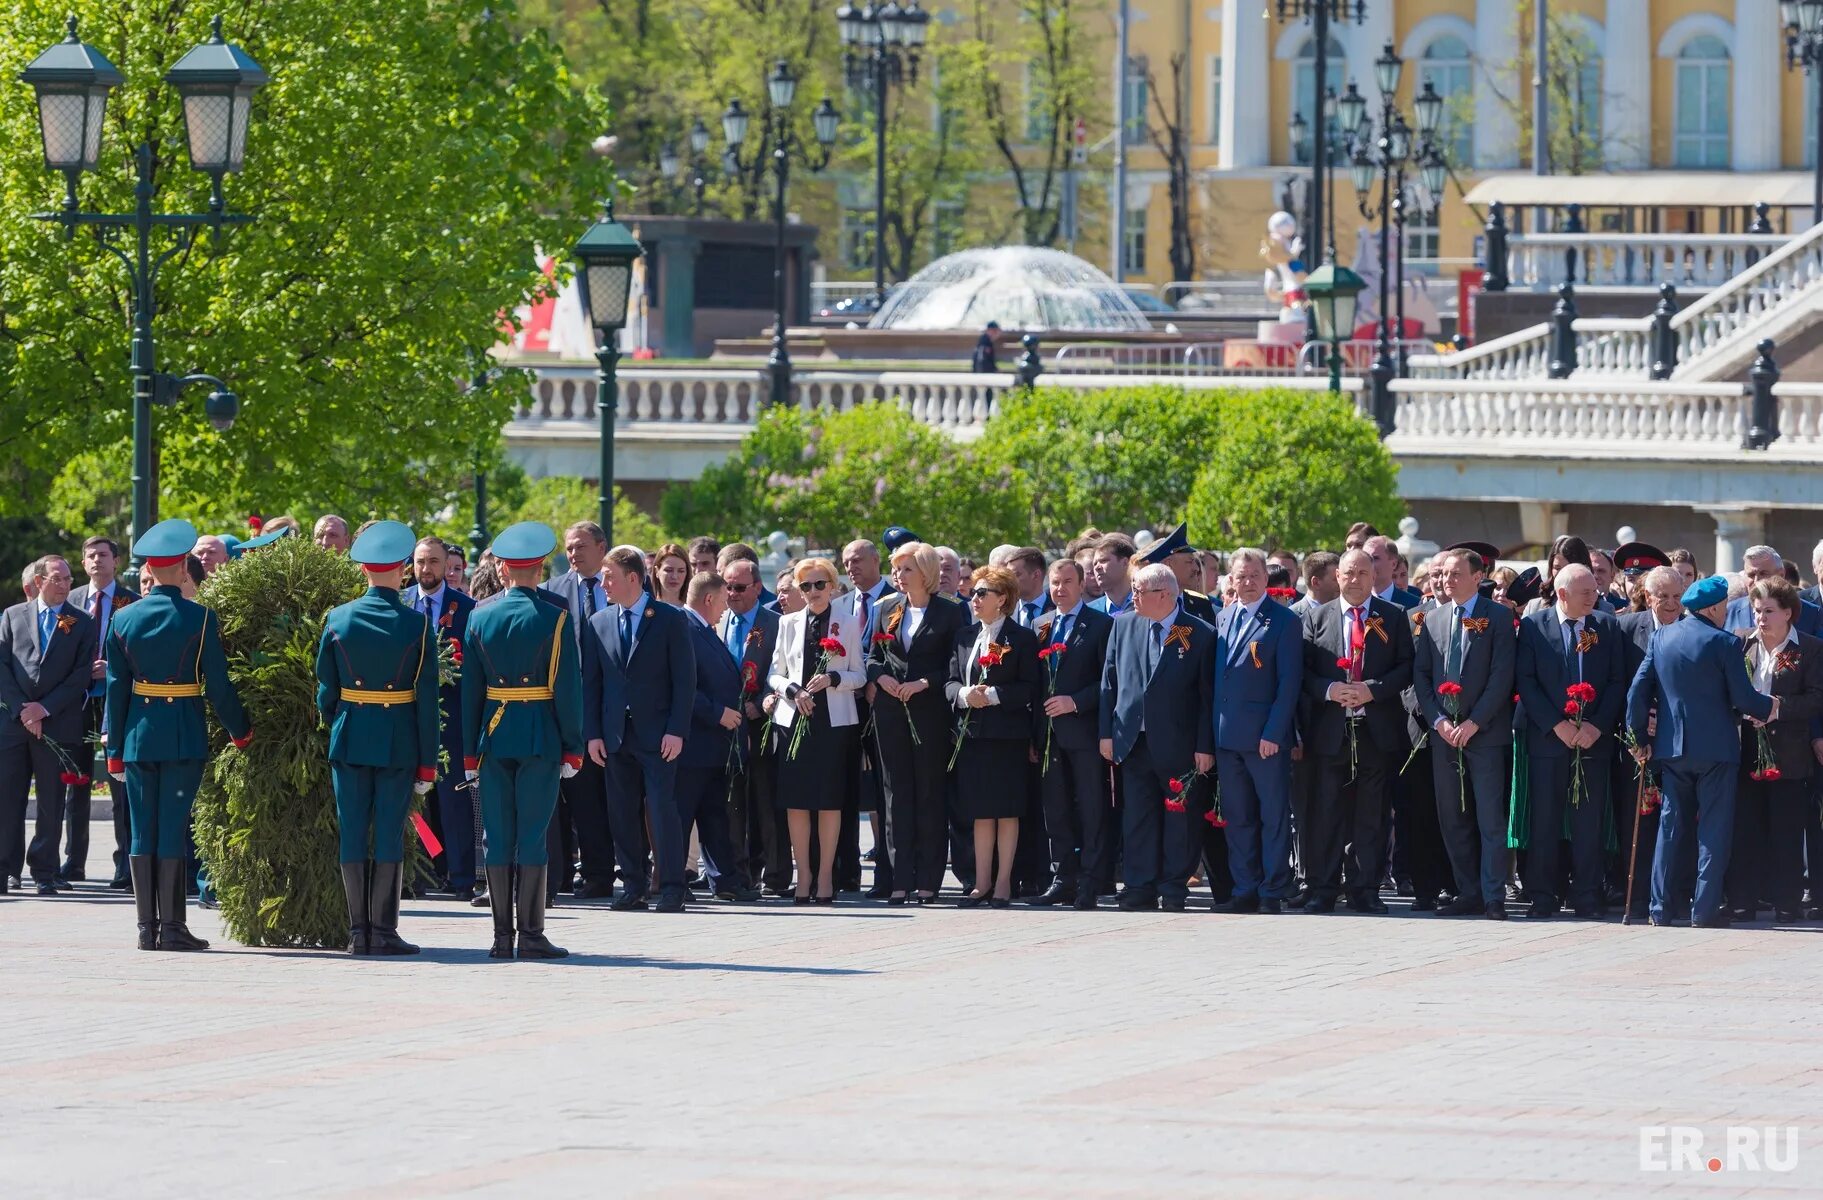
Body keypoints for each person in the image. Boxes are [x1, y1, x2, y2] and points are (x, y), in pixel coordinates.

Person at [101, 520, 252, 948]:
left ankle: (147, 929)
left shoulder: (122, 619)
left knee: (141, 832)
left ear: (150, 567)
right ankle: (173, 927)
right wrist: (241, 731)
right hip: (183, 733)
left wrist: (114, 749)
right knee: (172, 829)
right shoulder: (200, 618)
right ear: (184, 570)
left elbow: (115, 691)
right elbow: (218, 687)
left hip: (137, 737)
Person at [315, 521, 441, 956]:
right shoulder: (417, 625)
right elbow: (427, 700)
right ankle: (383, 932)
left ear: (362, 568)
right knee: (388, 833)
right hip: (398, 739)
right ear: (403, 569)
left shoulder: (337, 618)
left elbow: (325, 691)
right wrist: (428, 762)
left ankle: (357, 933)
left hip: (350, 734)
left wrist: (344, 718)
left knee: (352, 831)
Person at [460, 522, 584, 958]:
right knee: (532, 836)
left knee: (496, 835)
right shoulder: (556, 618)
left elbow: (469, 694)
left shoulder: (478, 616)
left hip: (492, 736)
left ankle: (500, 938)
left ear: (504, 568)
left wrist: (469, 754)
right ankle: (530, 936)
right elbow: (568, 689)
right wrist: (574, 745)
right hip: (540, 737)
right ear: (541, 567)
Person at [1627, 574, 1777, 927]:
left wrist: (1639, 739)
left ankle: (1659, 910)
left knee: (1670, 829)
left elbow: (1637, 692)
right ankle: (1704, 911)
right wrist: (1769, 706)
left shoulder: (1662, 637)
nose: (1727, 610)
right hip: (1716, 751)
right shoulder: (1723, 643)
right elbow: (1743, 699)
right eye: (1724, 605)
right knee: (1713, 830)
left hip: (1672, 749)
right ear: (1712, 607)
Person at [1299, 548, 1413, 913]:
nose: (1355, 579)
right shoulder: (1318, 618)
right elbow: (1303, 671)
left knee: (1372, 815)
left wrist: (1373, 689)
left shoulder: (1393, 617)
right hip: (1331, 730)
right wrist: (1330, 690)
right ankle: (1323, 888)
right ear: (1337, 576)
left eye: (1363, 572)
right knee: (1326, 812)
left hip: (1374, 730)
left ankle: (1366, 889)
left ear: (1373, 576)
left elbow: (1406, 667)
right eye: (1348, 573)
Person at [582, 544, 695, 912]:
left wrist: (677, 730)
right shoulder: (598, 622)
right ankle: (633, 885)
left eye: (609, 576)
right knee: (621, 812)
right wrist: (593, 733)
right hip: (616, 735)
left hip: (659, 734)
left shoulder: (668, 618)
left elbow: (684, 680)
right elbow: (593, 684)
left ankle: (673, 887)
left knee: (663, 810)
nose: (603, 583)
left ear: (633, 578)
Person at [1515, 564, 1628, 919]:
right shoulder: (1535, 626)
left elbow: (1616, 680)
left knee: (1588, 821)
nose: (1594, 597)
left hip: (1592, 739)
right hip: (1550, 740)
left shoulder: (1605, 625)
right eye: (1586, 592)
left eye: (1595, 590)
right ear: (1563, 594)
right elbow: (1527, 681)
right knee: (1545, 820)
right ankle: (1543, 895)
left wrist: (1595, 725)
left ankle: (1587, 895)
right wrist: (1556, 725)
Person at [1099, 563, 1215, 911]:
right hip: (1133, 740)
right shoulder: (1123, 624)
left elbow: (1207, 697)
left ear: (1163, 594)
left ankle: (1173, 886)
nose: (1132, 597)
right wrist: (1107, 733)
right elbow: (1110, 682)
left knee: (1180, 818)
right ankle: (1139, 885)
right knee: (1138, 817)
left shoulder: (1200, 632)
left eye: (1139, 591)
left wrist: (1204, 746)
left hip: (1180, 745)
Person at [1413, 547, 1517, 919]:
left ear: (1478, 576)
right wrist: (1439, 721)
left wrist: (1474, 722)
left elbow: (1501, 677)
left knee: (1490, 819)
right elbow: (1422, 676)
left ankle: (1493, 897)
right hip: (1445, 737)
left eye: (1456, 574)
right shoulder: (1434, 619)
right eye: (1443, 575)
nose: (1447, 580)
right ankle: (1467, 890)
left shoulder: (1498, 618)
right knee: (1453, 817)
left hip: (1484, 735)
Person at [868, 542, 966, 904]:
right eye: (896, 569)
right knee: (896, 796)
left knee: (929, 795)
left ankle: (928, 880)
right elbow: (872, 656)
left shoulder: (951, 612)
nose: (898, 575)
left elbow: (956, 664)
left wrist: (925, 683)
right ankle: (899, 879)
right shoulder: (887, 609)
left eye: (906, 568)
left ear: (924, 573)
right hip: (891, 712)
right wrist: (881, 678)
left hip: (929, 713)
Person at [767, 557, 865, 903]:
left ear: (833, 587)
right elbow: (774, 673)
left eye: (819, 584)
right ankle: (803, 874)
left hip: (833, 721)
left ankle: (825, 876)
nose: (812, 592)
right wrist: (792, 691)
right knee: (796, 801)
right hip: (795, 718)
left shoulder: (849, 623)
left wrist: (833, 679)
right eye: (805, 585)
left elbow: (859, 675)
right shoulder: (788, 623)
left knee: (828, 801)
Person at [1212, 548, 1304, 913]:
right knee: (1237, 818)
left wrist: (1274, 732)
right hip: (1226, 737)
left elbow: (1288, 683)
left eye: (1254, 576)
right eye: (1240, 576)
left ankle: (1272, 890)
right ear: (1230, 580)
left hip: (1265, 739)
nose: (1247, 583)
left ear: (1266, 579)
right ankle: (1244, 888)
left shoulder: (1283, 621)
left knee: (1273, 817)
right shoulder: (1222, 618)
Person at [1727, 578, 1823, 923]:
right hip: (1747, 749)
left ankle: (1787, 902)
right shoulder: (1740, 644)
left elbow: (1816, 698)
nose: (1761, 618)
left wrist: (1777, 708)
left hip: (1790, 751)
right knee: (1746, 828)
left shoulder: (1809, 649)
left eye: (1769, 611)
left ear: (1788, 613)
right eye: (1756, 610)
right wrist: (1744, 711)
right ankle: (1742, 901)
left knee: (1786, 829)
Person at [945, 565, 1039, 907]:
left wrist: (994, 695)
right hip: (971, 736)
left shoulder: (1022, 638)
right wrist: (963, 694)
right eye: (973, 593)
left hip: (1006, 736)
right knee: (980, 811)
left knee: (1006, 811)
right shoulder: (965, 635)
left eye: (982, 593)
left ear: (1002, 599)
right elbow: (950, 680)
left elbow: (1029, 687)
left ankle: (1003, 884)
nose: (975, 599)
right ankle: (980, 883)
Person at [2, 555, 93, 897]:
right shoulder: (12, 616)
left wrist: (44, 709)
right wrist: (24, 712)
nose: (66, 585)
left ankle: (44, 870)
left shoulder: (81, 621)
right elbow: (3, 667)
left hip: (57, 722)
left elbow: (80, 674)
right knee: (8, 799)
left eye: (69, 579)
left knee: (51, 802)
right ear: (39, 582)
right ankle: (7, 869)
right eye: (59, 579)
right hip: (14, 724)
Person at [1028, 557, 1114, 909]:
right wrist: (1034, 737)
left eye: (1066, 582)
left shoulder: (1100, 624)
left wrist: (1075, 702)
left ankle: (1091, 882)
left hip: (1085, 731)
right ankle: (1062, 877)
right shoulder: (1041, 625)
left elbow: (1109, 681)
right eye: (1055, 583)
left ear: (1081, 585)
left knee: (1092, 809)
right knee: (1056, 810)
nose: (1059, 589)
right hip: (1049, 736)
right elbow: (1036, 686)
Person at [540, 521, 616, 898]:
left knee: (602, 800)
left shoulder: (621, 587)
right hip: (565, 709)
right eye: (569, 547)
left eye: (581, 546)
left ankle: (602, 874)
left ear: (602, 547)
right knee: (569, 797)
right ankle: (564, 874)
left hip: (612, 709)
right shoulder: (552, 592)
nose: (573, 553)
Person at [401, 535, 478, 900]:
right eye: (420, 562)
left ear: (447, 566)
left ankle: (461, 877)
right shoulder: (400, 604)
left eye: (433, 562)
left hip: (452, 719)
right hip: (408, 717)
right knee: (413, 804)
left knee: (452, 800)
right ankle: (420, 874)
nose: (426, 569)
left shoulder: (467, 608)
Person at [676, 572, 761, 901]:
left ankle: (725, 882)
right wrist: (717, 713)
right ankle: (675, 882)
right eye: (724, 601)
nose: (726, 610)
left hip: (715, 744)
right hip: (695, 740)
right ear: (709, 599)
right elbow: (683, 686)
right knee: (683, 816)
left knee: (714, 815)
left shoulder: (704, 629)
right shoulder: (684, 627)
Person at [66, 536, 136, 888]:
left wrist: (111, 668)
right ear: (83, 563)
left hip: (115, 703)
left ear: (116, 561)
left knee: (119, 786)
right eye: (90, 556)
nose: (97, 560)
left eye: (103, 555)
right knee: (74, 782)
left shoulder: (132, 602)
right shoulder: (70, 600)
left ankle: (125, 864)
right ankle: (73, 861)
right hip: (76, 703)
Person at [717, 557, 786, 895]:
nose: (731, 594)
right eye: (727, 586)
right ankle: (738, 875)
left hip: (762, 724)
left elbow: (783, 671)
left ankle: (773, 875)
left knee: (765, 803)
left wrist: (759, 707)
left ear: (758, 587)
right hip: (725, 725)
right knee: (732, 805)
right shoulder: (716, 622)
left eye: (739, 587)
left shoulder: (776, 623)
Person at [1724, 546, 1823, 636]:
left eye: (1763, 573)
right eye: (1751, 575)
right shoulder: (1729, 611)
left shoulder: (1811, 613)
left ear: (1781, 575)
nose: (1756, 581)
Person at [1137, 523, 1217, 624]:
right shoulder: (1140, 606)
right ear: (1168, 564)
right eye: (1189, 561)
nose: (1196, 568)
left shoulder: (1203, 606)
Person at [1363, 535, 1421, 608]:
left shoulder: (1414, 604)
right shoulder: (1354, 601)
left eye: (1375, 558)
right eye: (1366, 558)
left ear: (1393, 564)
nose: (1369, 563)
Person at [1090, 533, 1139, 616]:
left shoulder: (1147, 604)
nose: (1097, 567)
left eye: (1104, 560)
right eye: (1094, 563)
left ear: (1125, 563)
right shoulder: (1089, 612)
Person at [1004, 546, 1053, 629]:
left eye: (1015, 575)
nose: (1009, 581)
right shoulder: (1003, 612)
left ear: (1036, 575)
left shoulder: (1059, 609)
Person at [651, 542, 692, 607]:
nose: (674, 576)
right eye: (669, 570)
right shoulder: (645, 608)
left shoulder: (693, 611)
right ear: (657, 571)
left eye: (681, 571)